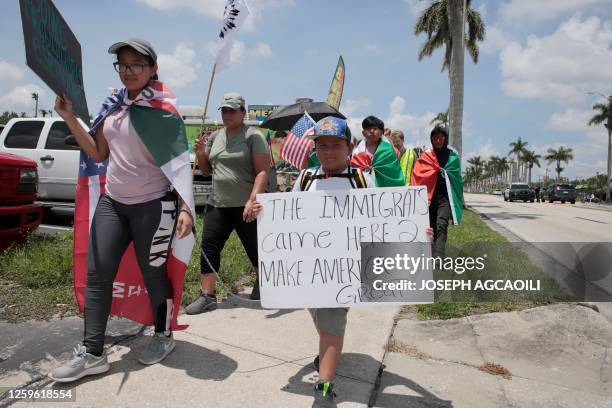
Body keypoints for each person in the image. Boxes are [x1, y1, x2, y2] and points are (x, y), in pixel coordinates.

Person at [49, 38, 194, 382]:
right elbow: (98, 154)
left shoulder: (164, 113)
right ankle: (93, 352)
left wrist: (186, 207)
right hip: (113, 203)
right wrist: (69, 118)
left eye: (137, 65)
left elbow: (179, 164)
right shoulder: (112, 107)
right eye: (123, 65)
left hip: (153, 206)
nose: (128, 71)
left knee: (153, 275)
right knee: (98, 275)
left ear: (152, 70)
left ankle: (163, 335)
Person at [186, 93, 269, 313]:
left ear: (243, 113)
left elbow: (263, 171)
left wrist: (253, 200)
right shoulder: (214, 137)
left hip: (246, 205)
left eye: (232, 110)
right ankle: (208, 296)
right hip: (218, 204)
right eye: (224, 110)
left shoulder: (253, 136)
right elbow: (206, 171)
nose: (227, 114)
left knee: (255, 249)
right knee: (208, 248)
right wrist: (200, 152)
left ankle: (264, 284)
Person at [411, 126, 464, 258]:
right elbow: (418, 173)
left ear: (445, 139)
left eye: (440, 138)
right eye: (434, 138)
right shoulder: (426, 155)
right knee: (430, 226)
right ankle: (430, 253)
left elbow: (456, 178)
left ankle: (439, 256)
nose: (437, 141)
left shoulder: (452, 156)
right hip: (428, 198)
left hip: (444, 198)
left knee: (441, 224)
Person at [350, 116, 404, 187]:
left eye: (375, 128)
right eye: (368, 129)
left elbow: (394, 175)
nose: (372, 131)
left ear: (381, 132)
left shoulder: (389, 151)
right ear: (363, 133)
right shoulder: (356, 152)